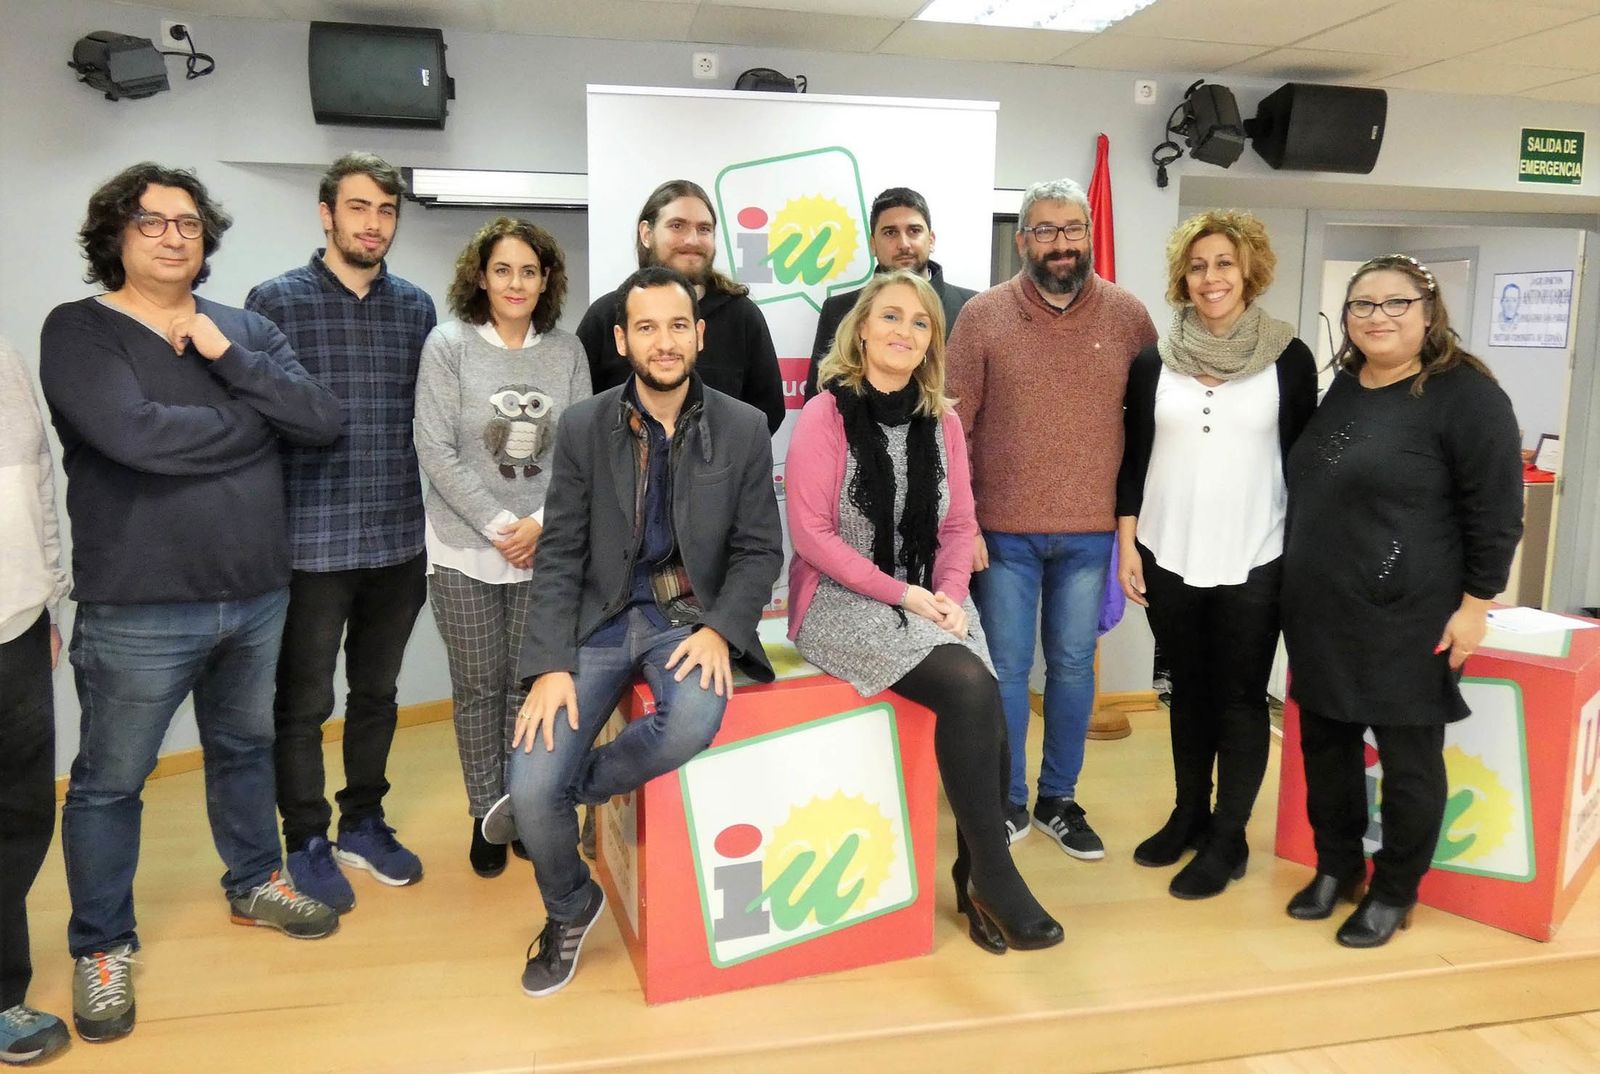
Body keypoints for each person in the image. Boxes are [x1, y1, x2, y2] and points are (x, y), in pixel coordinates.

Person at [40, 163, 343, 1043]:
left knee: (245, 750)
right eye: (151, 221)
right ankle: (101, 944)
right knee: (108, 785)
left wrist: (228, 360)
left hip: (255, 594)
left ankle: (256, 880)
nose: (174, 235)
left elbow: (320, 418)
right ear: (116, 236)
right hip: (139, 606)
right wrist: (253, 425)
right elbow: (133, 437)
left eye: (188, 223)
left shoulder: (242, 328)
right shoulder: (81, 330)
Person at [480, 266, 782, 997]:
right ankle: (571, 906)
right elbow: (559, 552)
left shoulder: (743, 427)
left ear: (699, 335)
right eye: (646, 327)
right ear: (622, 339)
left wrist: (721, 628)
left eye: (678, 326)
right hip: (603, 619)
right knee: (530, 783)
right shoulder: (586, 425)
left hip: (687, 620)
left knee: (689, 724)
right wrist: (549, 662)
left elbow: (759, 551)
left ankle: (565, 796)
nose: (664, 341)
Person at [788, 271, 1062, 954]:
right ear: (861, 328)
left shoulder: (942, 420)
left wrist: (945, 598)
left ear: (931, 341)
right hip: (840, 599)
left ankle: (976, 876)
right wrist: (905, 595)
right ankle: (994, 874)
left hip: (926, 598)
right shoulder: (826, 414)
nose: (904, 331)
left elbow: (958, 524)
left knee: (992, 701)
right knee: (970, 685)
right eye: (891, 316)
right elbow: (813, 538)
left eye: (920, 323)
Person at [1282, 254, 1523, 947]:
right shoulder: (1346, 386)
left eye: (1395, 304)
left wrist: (1475, 606)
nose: (1377, 317)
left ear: (1428, 311)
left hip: (1412, 614)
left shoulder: (1467, 397)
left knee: (1408, 760)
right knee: (1325, 745)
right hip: (1323, 607)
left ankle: (1394, 890)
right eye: (1363, 305)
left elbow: (1497, 513)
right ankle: (1336, 868)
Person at [246, 153, 437, 912]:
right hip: (310, 544)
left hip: (397, 538)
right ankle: (307, 837)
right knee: (302, 703)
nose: (372, 224)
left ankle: (363, 820)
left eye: (386, 211)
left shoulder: (418, 309)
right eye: (358, 208)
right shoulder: (274, 302)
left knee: (378, 694)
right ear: (326, 213)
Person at [946, 178, 1157, 858]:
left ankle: (1058, 800)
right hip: (1000, 533)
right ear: (1022, 239)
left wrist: (1133, 527)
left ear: (1088, 234)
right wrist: (964, 522)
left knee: (1070, 669)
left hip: (1092, 533)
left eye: (1072, 229)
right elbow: (953, 426)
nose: (1060, 243)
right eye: (1045, 230)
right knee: (1006, 670)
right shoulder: (982, 316)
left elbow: (1150, 424)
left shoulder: (1129, 317)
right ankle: (1007, 800)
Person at [1115, 210, 1317, 899]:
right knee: (1187, 694)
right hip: (1168, 552)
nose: (1211, 278)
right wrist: (1127, 544)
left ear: (1248, 269)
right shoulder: (1153, 362)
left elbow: (1303, 462)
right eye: (1198, 265)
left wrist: (1300, 558)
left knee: (1237, 698)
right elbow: (1133, 460)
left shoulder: (1289, 358)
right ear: (1183, 276)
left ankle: (1228, 838)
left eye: (1224, 263)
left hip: (1256, 556)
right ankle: (1188, 815)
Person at [415, 218, 590, 878]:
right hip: (463, 548)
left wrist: (540, 523)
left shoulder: (567, 352)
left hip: (545, 549)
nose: (515, 283)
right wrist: (499, 525)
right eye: (502, 270)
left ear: (546, 280)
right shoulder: (449, 345)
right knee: (477, 690)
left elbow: (579, 449)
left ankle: (524, 807)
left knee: (530, 689)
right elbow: (434, 448)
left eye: (529, 271)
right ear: (480, 276)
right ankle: (484, 815)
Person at [576, 179, 785, 433]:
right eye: (677, 226)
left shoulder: (742, 317)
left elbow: (767, 412)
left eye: (704, 229)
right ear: (646, 233)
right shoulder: (606, 316)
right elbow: (582, 417)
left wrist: (719, 464)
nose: (692, 240)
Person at [0, 337, 72, 1066]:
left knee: (20, 814)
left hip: (16, 621)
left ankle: (1, 993)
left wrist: (49, 596)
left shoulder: (2, 357)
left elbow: (34, 481)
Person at [802, 187, 976, 398]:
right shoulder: (841, 309)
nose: (903, 244)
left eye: (914, 231)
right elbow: (820, 395)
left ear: (931, 240)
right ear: (873, 244)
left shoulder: (971, 308)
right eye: (890, 232)